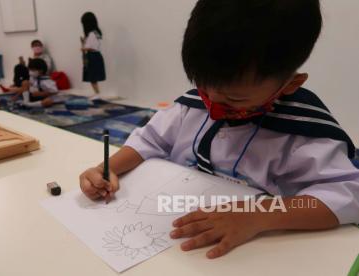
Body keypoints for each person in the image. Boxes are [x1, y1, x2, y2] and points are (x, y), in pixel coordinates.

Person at [79, 0, 359, 260]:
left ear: (289, 85)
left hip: (259, 253)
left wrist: (260, 215)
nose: (212, 105)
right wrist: (108, 167)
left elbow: (349, 195)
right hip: (171, 244)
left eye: (234, 99)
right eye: (203, 88)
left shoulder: (304, 133)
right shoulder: (191, 107)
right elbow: (151, 139)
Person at [81, 12, 106, 96]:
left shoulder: (92, 33)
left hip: (92, 56)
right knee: (93, 77)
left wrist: (83, 47)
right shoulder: (97, 33)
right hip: (96, 55)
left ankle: (97, 93)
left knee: (92, 77)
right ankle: (97, 93)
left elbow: (92, 47)